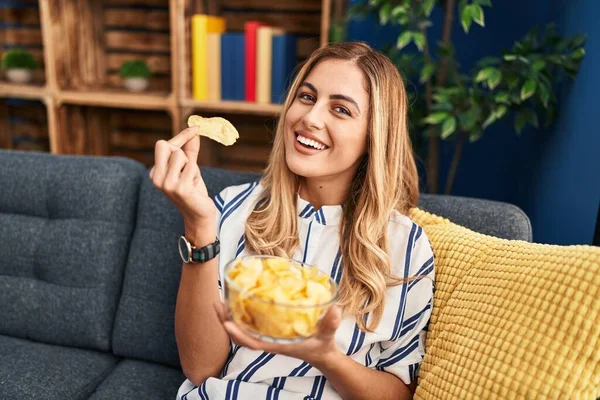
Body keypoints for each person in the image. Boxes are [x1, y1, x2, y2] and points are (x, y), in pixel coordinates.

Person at [150, 41, 435, 400]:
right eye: (306, 97)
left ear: (374, 136)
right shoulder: (229, 208)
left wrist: (325, 356)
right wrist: (198, 227)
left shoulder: (405, 245)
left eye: (341, 110)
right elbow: (201, 369)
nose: (311, 119)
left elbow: (398, 394)